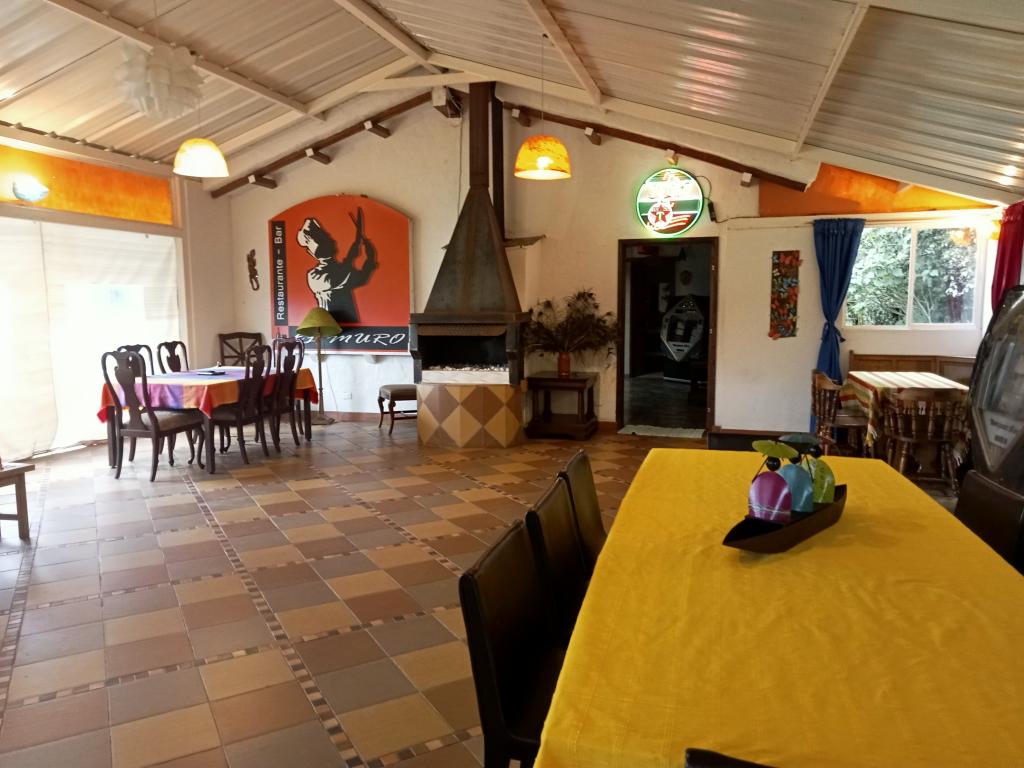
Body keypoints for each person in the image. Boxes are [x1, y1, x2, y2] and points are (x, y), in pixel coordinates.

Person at [300, 207, 378, 321]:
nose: (332, 241)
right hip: (331, 325)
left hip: (345, 324)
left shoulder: (323, 273)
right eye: (328, 241)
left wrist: (360, 255)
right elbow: (356, 277)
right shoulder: (316, 276)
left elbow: (351, 273)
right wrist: (366, 258)